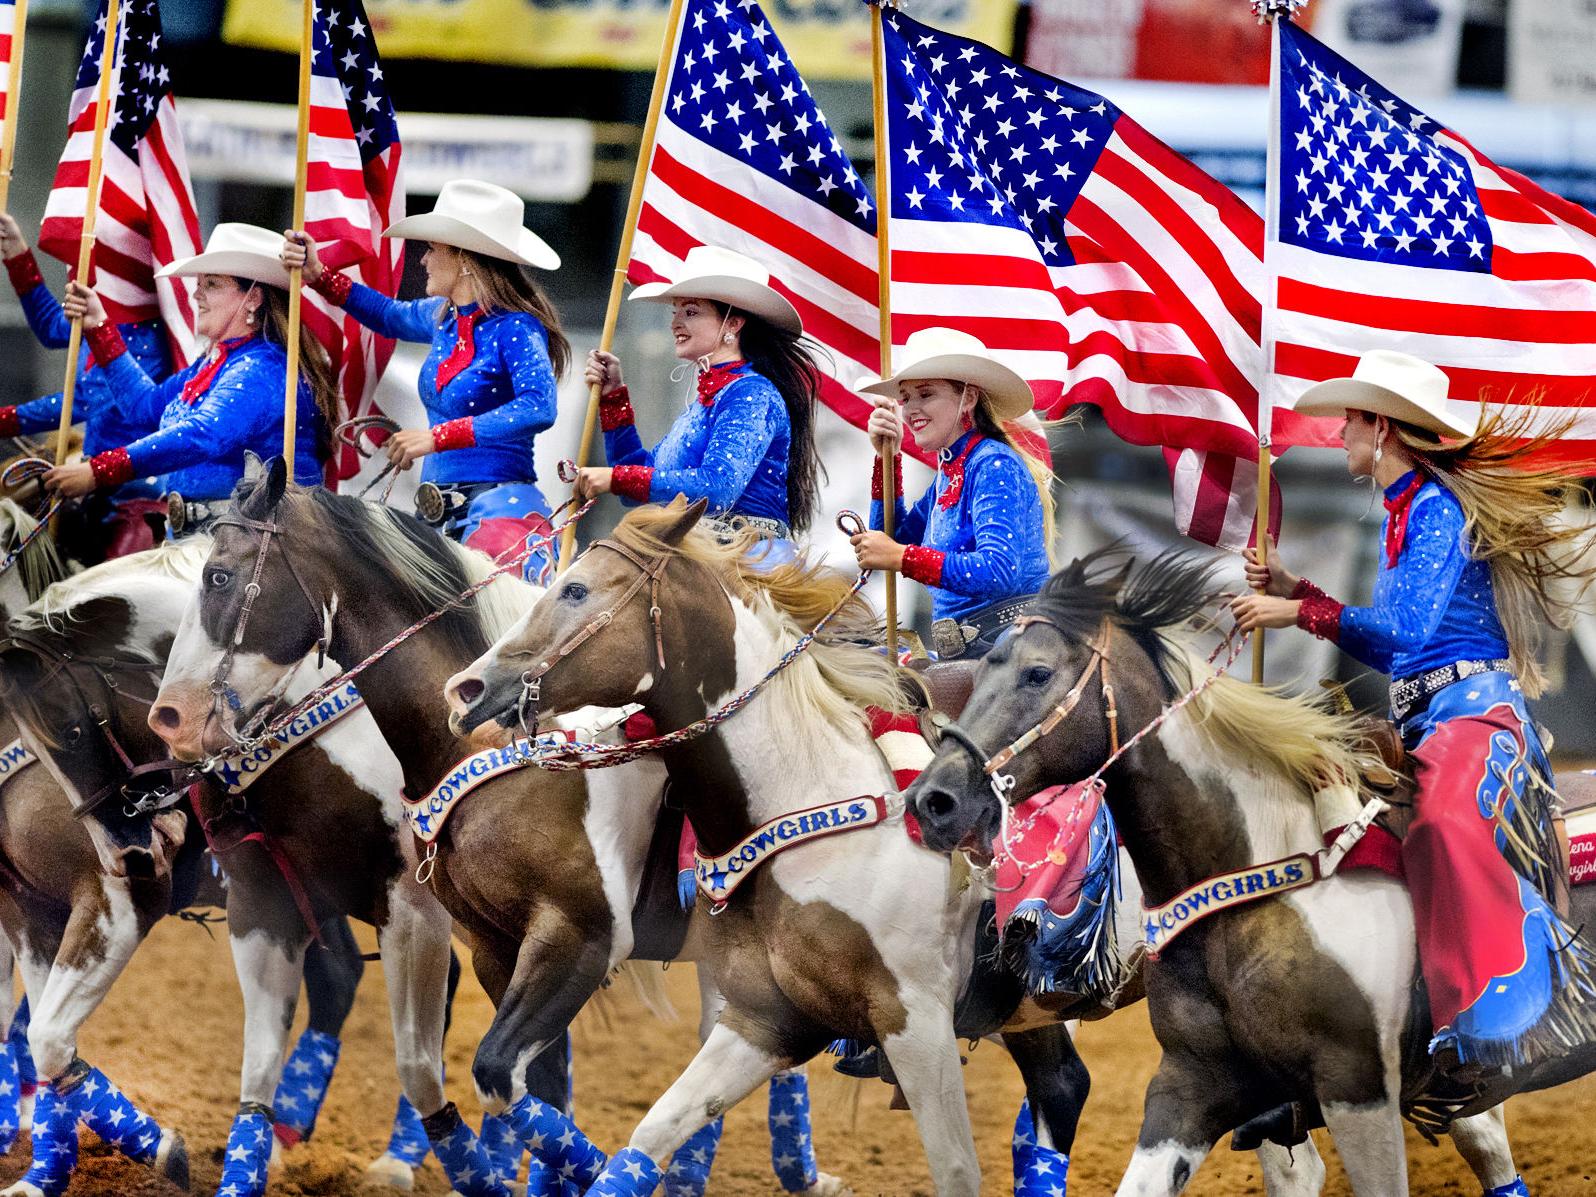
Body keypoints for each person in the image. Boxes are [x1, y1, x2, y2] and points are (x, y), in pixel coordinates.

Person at [1231, 348, 1596, 1079]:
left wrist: (1299, 609)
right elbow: (1393, 629)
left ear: (1383, 427)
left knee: (1441, 824)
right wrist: (1298, 585)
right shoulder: (1405, 512)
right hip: (1427, 721)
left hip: (1477, 716)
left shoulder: (1433, 508)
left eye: (1350, 422)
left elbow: (1401, 634)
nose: (1338, 435)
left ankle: (1498, 1018)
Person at [282, 179, 567, 564]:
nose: (423, 260)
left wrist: (437, 437)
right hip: (437, 512)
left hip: (500, 514)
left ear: (463, 257)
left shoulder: (515, 327)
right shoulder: (443, 319)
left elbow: (539, 407)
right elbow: (387, 314)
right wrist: (319, 275)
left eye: (432, 249)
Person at [44, 223, 334, 531]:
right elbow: (144, 408)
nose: (196, 294)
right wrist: (99, 326)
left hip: (254, 551)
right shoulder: (215, 363)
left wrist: (98, 472)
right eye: (199, 284)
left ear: (253, 298)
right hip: (209, 542)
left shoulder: (265, 368)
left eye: (211, 284)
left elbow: (202, 434)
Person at [577, 244, 823, 567]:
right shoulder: (705, 403)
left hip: (752, 565)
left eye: (690, 312)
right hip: (701, 557)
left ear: (733, 324)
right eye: (675, 311)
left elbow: (717, 490)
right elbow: (636, 482)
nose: (675, 323)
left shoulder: (752, 392)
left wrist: (617, 477)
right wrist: (613, 397)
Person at [850, 327, 1054, 659]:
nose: (910, 409)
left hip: (1015, 654)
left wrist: (901, 557)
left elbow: (999, 571)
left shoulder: (993, 462)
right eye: (905, 398)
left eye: (925, 394)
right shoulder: (950, 471)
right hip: (968, 654)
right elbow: (889, 537)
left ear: (968, 398)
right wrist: (887, 458)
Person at [0, 212, 173, 559]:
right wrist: (17, 254)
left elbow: (86, 401)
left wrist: (4, 421)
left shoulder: (152, 332)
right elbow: (52, 327)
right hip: (91, 484)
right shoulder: (107, 315)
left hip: (135, 495)